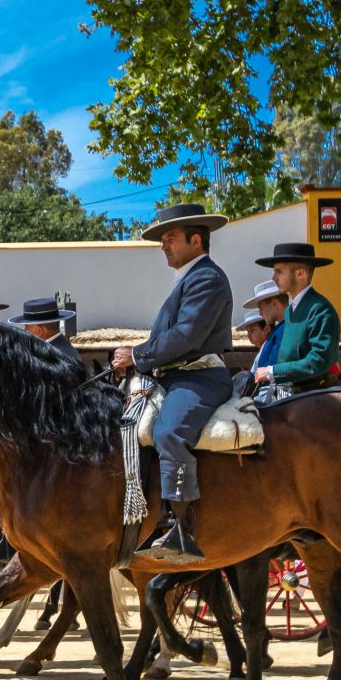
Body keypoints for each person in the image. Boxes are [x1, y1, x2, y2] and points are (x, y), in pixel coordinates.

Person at [112, 202, 233, 566]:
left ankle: (180, 527)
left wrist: (136, 356)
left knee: (169, 433)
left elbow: (185, 336)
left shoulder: (208, 278)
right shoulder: (189, 279)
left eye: (170, 239)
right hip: (176, 376)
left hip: (200, 377)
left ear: (196, 241)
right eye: (162, 240)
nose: (163, 246)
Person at [251, 242, 341, 394]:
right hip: (290, 395)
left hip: (313, 398)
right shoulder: (291, 311)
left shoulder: (320, 309)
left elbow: (318, 361)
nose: (273, 278)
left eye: (279, 272)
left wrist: (272, 371)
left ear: (300, 274)